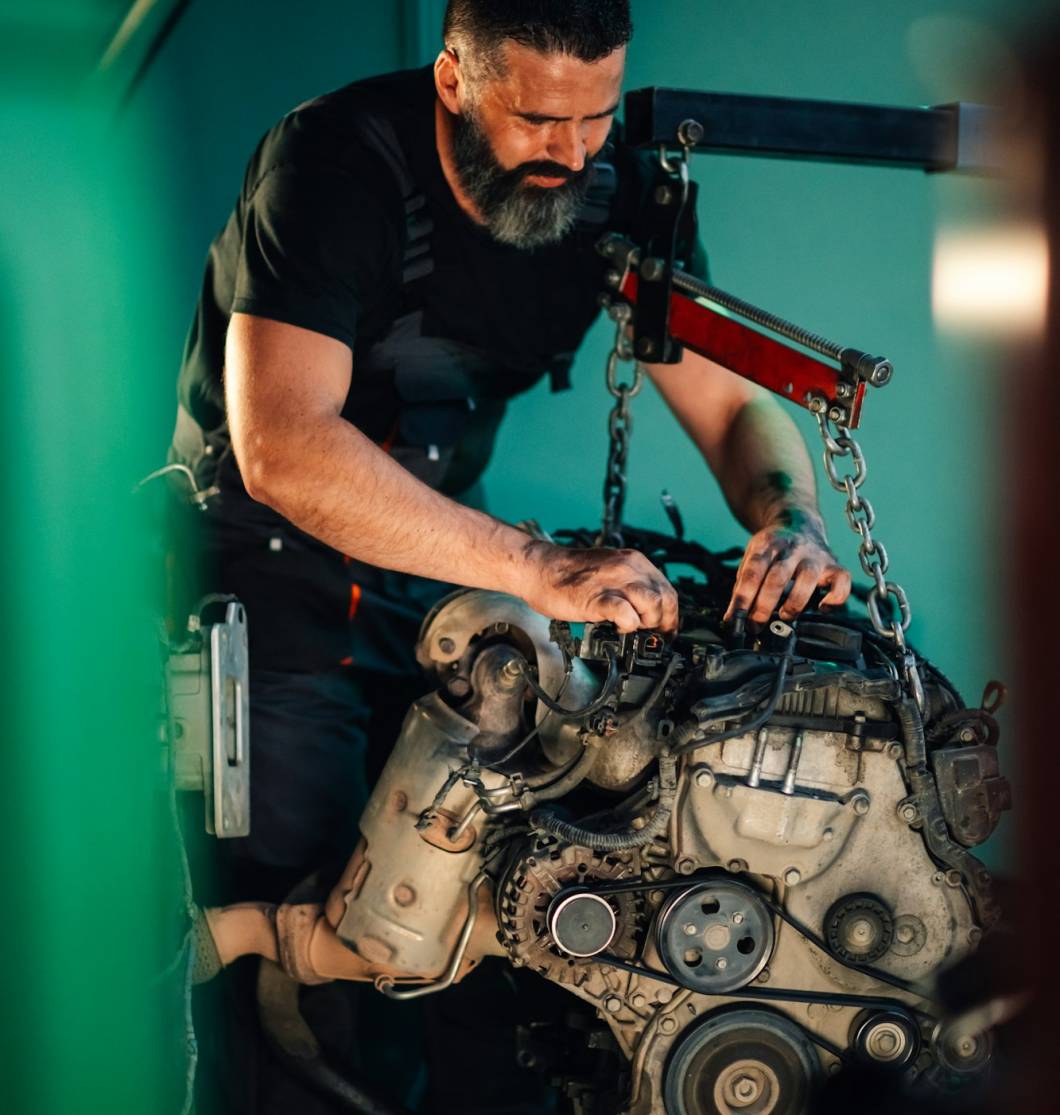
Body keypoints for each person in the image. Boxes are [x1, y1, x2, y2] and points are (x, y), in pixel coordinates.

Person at [169, 1, 851, 1110]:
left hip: (439, 566)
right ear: (452, 80)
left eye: (595, 116)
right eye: (537, 119)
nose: (571, 152)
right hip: (265, 577)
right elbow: (283, 446)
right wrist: (534, 569)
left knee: (503, 915)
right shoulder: (336, 163)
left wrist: (789, 518)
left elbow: (730, 408)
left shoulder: (617, 190)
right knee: (314, 923)